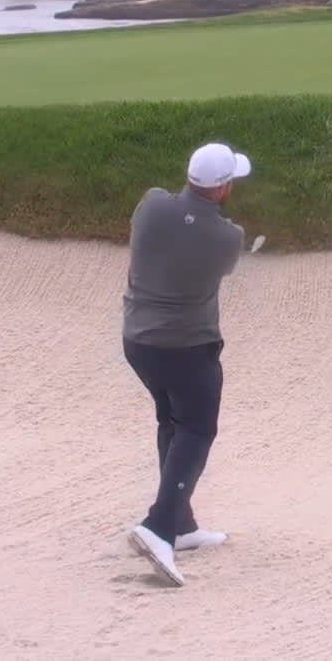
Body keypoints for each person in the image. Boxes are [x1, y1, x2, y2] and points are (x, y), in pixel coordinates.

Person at [121, 141, 253, 587]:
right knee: (197, 430)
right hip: (189, 349)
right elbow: (212, 247)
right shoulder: (227, 238)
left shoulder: (151, 204)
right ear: (223, 188)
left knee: (173, 424)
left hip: (139, 343)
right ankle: (159, 526)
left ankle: (181, 524)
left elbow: (177, 225)